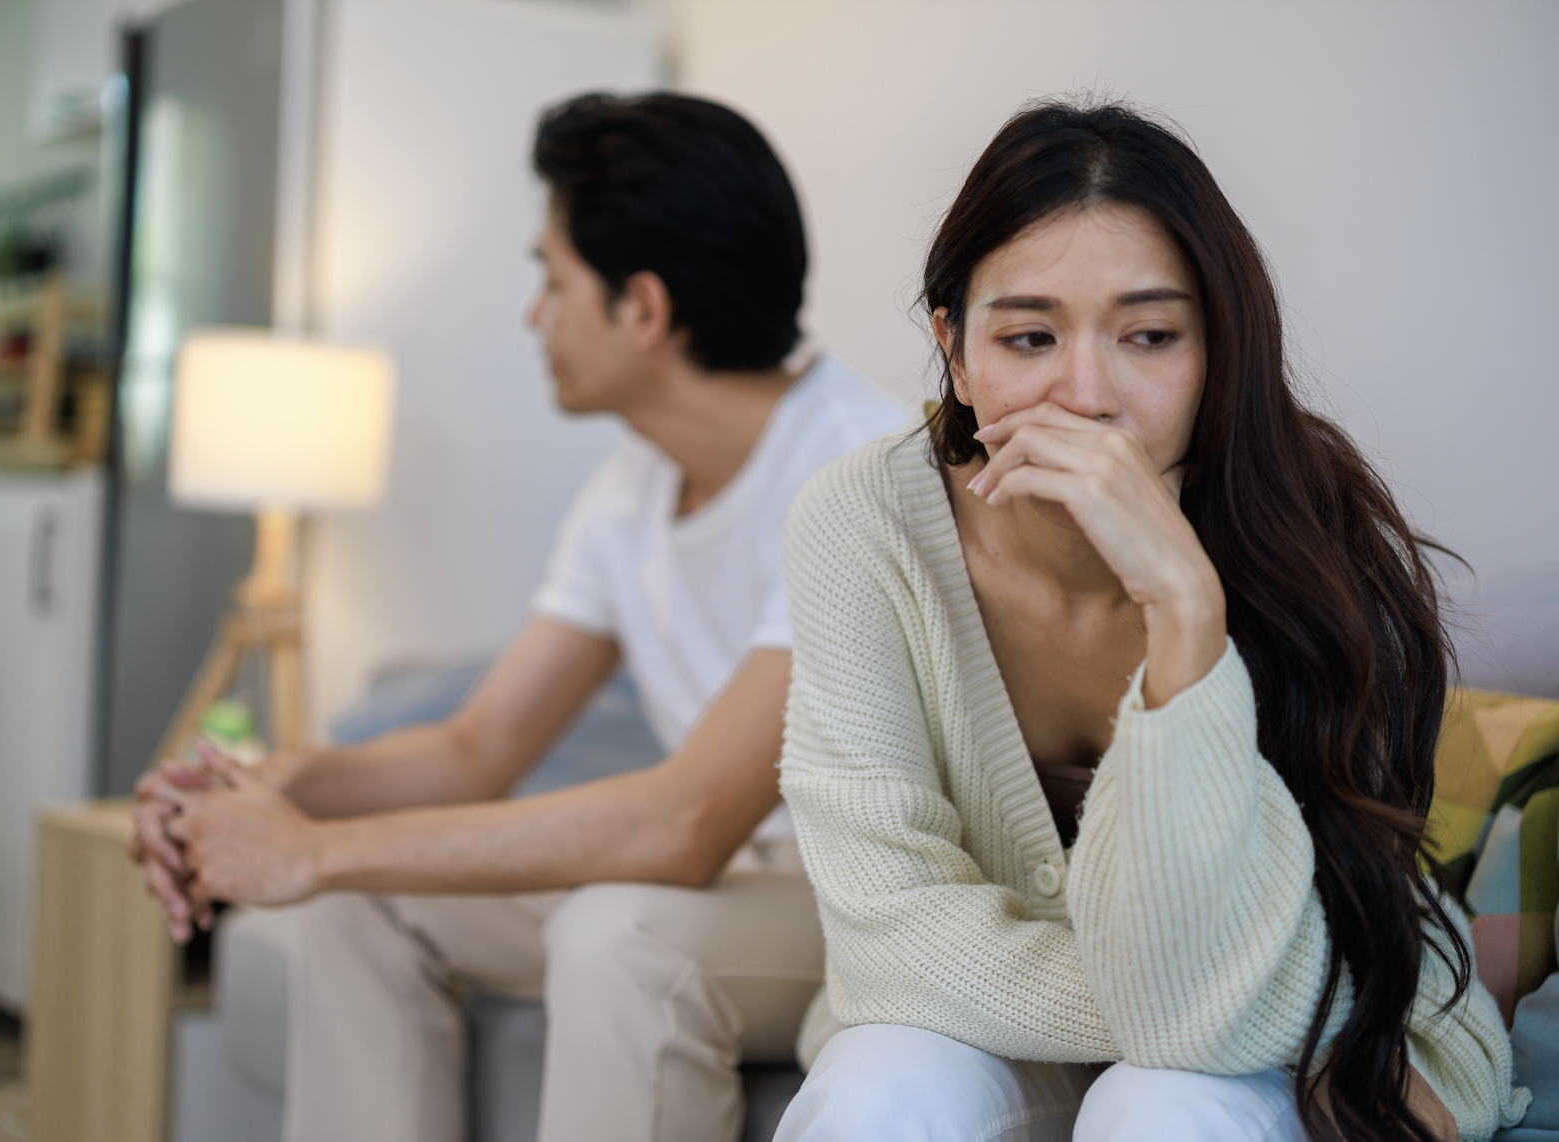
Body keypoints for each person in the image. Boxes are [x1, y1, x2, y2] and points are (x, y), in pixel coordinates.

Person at [130, 92, 905, 1142]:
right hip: (730, 877)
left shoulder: (856, 473)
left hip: (864, 901)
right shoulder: (634, 488)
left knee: (613, 930)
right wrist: (280, 784)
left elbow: (685, 820)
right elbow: (475, 745)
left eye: (551, 278)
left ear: (643, 307)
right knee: (354, 906)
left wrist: (314, 847)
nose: (532, 315)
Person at [771, 99, 1528, 1142]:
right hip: (1048, 1011)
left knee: (1158, 1104)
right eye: (1028, 335)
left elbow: (1341, 939)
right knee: (877, 1087)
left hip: (1331, 1031)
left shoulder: (1315, 535)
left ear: (1218, 348)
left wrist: (1182, 600)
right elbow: (889, 928)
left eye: (1150, 336)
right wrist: (1172, 1001)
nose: (1086, 394)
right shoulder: (862, 524)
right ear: (953, 350)